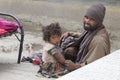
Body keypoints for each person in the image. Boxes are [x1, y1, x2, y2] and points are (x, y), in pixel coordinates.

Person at [63, 3, 110, 71]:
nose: (87, 21)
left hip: (93, 72)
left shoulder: (99, 42)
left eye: (92, 19)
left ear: (99, 21)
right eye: (86, 17)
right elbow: (85, 37)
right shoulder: (95, 29)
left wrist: (75, 66)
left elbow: (95, 66)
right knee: (69, 47)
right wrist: (69, 33)